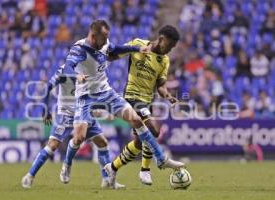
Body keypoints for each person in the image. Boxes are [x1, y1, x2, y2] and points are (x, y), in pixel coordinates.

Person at [59, 20, 184, 189]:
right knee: (79, 137)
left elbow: (116, 49)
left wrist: (136, 49)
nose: (106, 41)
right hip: (88, 96)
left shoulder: (162, 59)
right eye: (104, 37)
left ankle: (139, 163)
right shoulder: (79, 48)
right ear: (94, 36)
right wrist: (76, 75)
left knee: (140, 129)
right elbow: (67, 67)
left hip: (107, 92)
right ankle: (67, 165)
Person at [21, 63, 125, 189]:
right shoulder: (64, 70)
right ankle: (30, 176)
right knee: (52, 145)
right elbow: (48, 87)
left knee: (102, 142)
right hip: (66, 114)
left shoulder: (90, 70)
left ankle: (107, 180)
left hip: (84, 112)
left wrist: (100, 109)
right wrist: (45, 110)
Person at [104, 25, 181, 185]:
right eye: (169, 45)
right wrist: (131, 49)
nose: (170, 50)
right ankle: (145, 170)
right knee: (154, 130)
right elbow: (112, 56)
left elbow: (160, 85)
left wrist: (167, 95)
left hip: (147, 102)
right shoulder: (139, 43)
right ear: (161, 39)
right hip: (132, 97)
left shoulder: (164, 61)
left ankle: (112, 168)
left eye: (173, 47)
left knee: (140, 142)